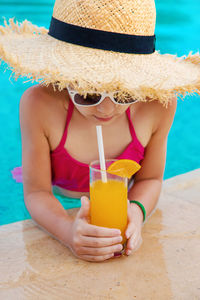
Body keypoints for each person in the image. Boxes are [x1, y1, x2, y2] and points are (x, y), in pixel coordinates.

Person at [0, 0, 199, 262]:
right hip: (59, 198)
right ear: (64, 74)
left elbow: (149, 180)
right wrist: (67, 231)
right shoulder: (40, 105)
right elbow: (37, 193)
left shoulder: (157, 106)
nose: (106, 109)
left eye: (124, 92)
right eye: (89, 92)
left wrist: (136, 213)